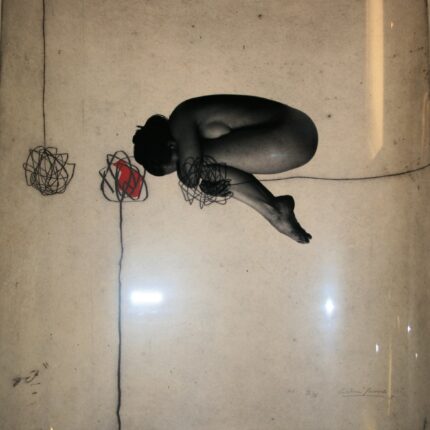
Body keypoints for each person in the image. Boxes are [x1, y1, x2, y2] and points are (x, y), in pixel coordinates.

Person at [133, 94, 318, 244]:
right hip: (295, 137)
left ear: (171, 145)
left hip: (291, 134)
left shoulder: (180, 118)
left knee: (199, 166)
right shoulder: (190, 130)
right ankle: (275, 210)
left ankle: (275, 212)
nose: (181, 168)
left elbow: (190, 177)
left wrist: (198, 177)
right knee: (206, 169)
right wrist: (212, 182)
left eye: (177, 165)